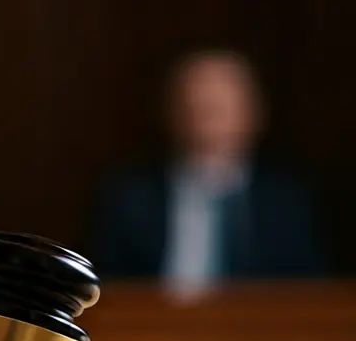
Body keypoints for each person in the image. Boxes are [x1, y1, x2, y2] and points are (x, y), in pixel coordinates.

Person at [88, 50, 325, 290]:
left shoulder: (287, 201)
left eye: (217, 109)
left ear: (253, 114)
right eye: (196, 107)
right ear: (172, 112)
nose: (205, 122)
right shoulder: (130, 196)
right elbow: (104, 290)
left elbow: (309, 290)